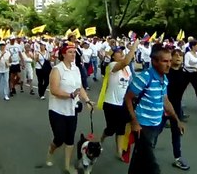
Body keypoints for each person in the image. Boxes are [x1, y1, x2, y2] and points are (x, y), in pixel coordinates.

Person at [124, 45, 185, 174]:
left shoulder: (164, 78)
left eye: (170, 61)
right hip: (142, 127)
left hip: (155, 125)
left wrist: (176, 120)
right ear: (154, 61)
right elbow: (128, 98)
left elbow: (165, 101)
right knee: (152, 166)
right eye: (165, 61)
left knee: (140, 159)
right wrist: (134, 122)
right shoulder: (144, 77)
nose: (169, 64)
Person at [45, 42, 93, 173]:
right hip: (57, 110)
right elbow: (54, 90)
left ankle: (67, 166)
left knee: (70, 138)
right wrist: (70, 95)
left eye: (74, 52)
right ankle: (51, 150)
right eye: (70, 52)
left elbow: (80, 87)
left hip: (72, 110)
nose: (73, 55)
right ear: (63, 54)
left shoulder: (76, 69)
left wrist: (87, 100)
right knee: (59, 139)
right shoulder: (57, 69)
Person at [100, 40, 139, 159]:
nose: (121, 53)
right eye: (118, 52)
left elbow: (130, 83)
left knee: (121, 129)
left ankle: (119, 152)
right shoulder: (112, 66)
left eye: (122, 50)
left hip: (123, 103)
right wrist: (134, 46)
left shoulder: (127, 69)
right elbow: (126, 60)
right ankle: (102, 138)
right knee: (111, 129)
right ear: (112, 56)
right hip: (111, 103)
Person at [160, 49, 190, 170]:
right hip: (162, 106)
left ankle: (178, 158)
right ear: (171, 58)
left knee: (176, 133)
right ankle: (146, 152)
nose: (178, 57)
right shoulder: (165, 73)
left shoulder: (185, 74)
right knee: (156, 130)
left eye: (180, 55)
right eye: (175, 55)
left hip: (176, 107)